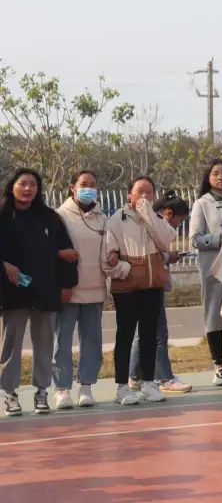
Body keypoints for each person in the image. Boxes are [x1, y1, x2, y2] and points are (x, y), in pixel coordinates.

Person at [0, 168, 78, 416]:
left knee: (44, 345)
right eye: (23, 183)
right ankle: (9, 394)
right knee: (10, 347)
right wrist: (4, 266)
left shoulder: (50, 218)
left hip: (45, 292)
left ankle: (42, 391)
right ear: (12, 186)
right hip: (12, 294)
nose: (28, 189)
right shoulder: (3, 216)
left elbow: (67, 253)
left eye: (33, 184)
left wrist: (67, 285)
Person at [104, 175, 177, 405]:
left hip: (152, 285)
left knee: (149, 335)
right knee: (125, 335)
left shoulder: (155, 217)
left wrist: (150, 216)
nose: (144, 196)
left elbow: (165, 242)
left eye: (149, 192)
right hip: (127, 287)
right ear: (130, 194)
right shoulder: (117, 219)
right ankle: (122, 386)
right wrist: (127, 269)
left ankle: (148, 383)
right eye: (139, 192)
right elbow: (108, 256)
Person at [53, 170, 108, 409]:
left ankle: (86, 386)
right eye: (84, 184)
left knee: (92, 342)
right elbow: (53, 251)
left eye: (93, 185)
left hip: (95, 288)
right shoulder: (60, 216)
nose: (89, 189)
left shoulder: (102, 218)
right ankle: (61, 389)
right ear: (72, 187)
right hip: (68, 290)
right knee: (62, 342)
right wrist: (61, 284)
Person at [130, 192, 191, 394]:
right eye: (178, 222)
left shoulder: (147, 222)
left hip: (145, 281)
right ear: (168, 213)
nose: (177, 227)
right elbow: (152, 253)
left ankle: (133, 375)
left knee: (143, 332)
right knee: (158, 333)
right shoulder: (155, 225)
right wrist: (168, 256)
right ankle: (164, 377)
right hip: (150, 282)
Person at [189, 158, 222, 387]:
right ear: (208, 178)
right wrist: (221, 239)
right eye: (215, 173)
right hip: (214, 265)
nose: (220, 177)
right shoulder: (202, 203)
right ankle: (219, 365)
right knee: (214, 315)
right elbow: (195, 239)